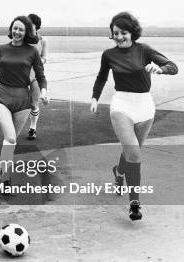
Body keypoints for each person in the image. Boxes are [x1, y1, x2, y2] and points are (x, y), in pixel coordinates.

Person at [90, 12, 178, 221]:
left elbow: (173, 67)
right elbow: (102, 76)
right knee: (135, 155)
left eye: (123, 32)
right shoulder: (108, 54)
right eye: (115, 33)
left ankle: (119, 173)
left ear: (132, 32)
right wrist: (94, 98)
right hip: (122, 105)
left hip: (145, 106)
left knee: (132, 151)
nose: (119, 37)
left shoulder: (144, 49)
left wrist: (160, 68)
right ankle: (134, 204)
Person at [0, 16, 48, 189]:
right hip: (2, 97)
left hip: (23, 99)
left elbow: (40, 75)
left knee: (10, 143)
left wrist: (43, 92)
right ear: (11, 29)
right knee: (11, 137)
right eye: (15, 28)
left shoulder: (32, 51)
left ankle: (3, 167)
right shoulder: (0, 49)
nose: (17, 32)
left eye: (21, 29)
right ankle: (6, 178)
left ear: (26, 32)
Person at [26, 13, 48, 140]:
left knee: (34, 104)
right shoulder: (22, 39)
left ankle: (32, 128)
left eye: (31, 25)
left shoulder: (42, 40)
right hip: (21, 77)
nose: (28, 27)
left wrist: (37, 61)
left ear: (37, 27)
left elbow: (44, 58)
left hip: (35, 76)